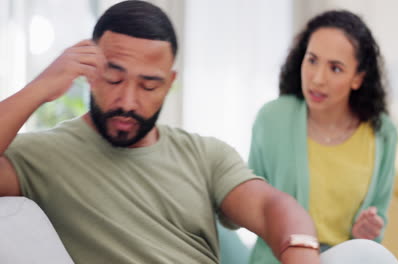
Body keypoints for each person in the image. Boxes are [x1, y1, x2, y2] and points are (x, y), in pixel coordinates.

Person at [0, 1, 321, 263]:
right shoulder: (44, 156)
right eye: (114, 79)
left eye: (148, 85)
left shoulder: (204, 155)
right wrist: (40, 88)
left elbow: (270, 207)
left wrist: (301, 247)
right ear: (90, 71)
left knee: (359, 253)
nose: (127, 102)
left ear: (169, 82)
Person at [244, 9, 398, 264]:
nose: (317, 79)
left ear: (358, 78)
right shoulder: (272, 119)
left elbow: (378, 215)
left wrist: (366, 232)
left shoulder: (383, 133)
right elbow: (249, 205)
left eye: (335, 68)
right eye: (312, 60)